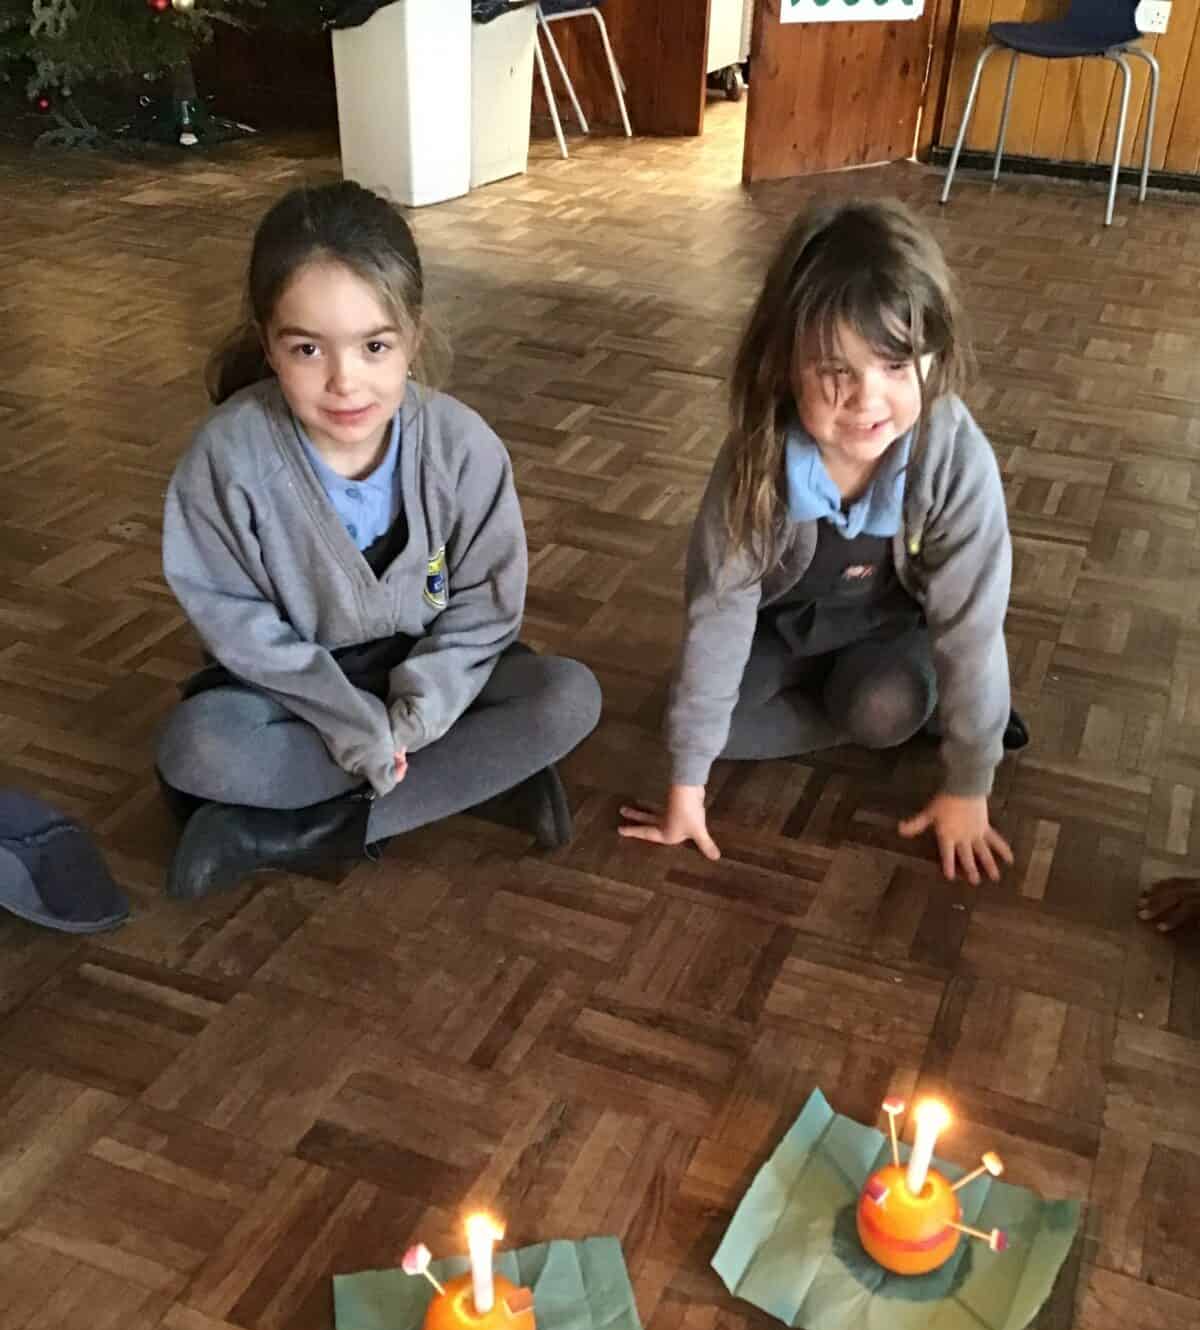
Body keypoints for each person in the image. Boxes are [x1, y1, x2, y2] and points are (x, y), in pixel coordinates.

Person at [157, 181, 601, 899]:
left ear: (412, 339)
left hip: (432, 679)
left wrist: (415, 719)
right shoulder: (227, 459)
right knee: (197, 750)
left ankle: (285, 833)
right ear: (268, 344)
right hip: (293, 695)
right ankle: (472, 782)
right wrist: (351, 723)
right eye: (308, 348)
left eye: (373, 346)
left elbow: (485, 608)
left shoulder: (461, 446)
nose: (344, 382)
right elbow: (235, 623)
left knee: (567, 697)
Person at [620, 198, 1026, 886]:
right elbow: (719, 609)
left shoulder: (954, 457)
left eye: (895, 366)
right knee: (695, 727)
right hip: (786, 636)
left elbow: (973, 628)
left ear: (933, 357)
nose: (867, 400)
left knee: (883, 709)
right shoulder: (756, 457)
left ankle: (926, 709)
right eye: (837, 371)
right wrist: (688, 785)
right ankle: (856, 701)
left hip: (887, 638)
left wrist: (969, 784)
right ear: (785, 367)